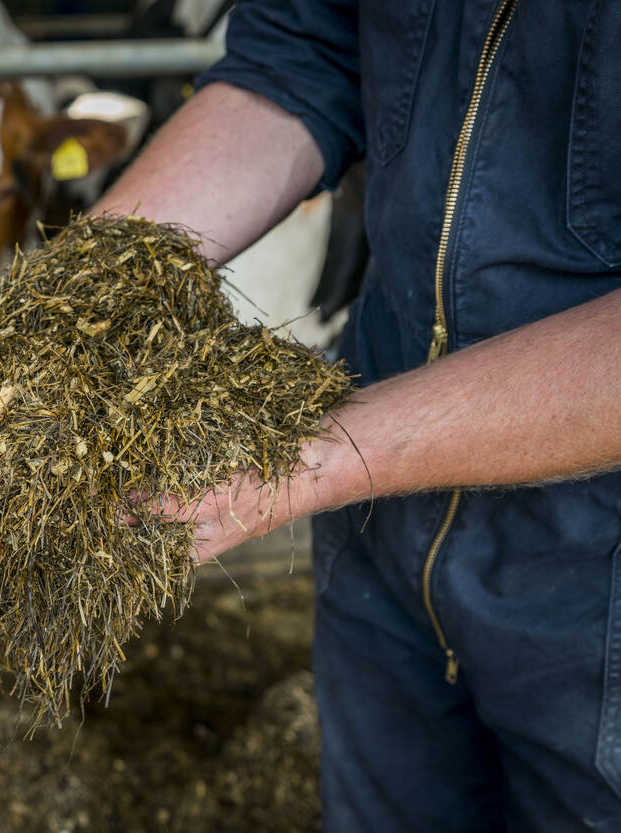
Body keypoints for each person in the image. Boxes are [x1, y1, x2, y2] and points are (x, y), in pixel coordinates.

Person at [90, 1, 621, 830]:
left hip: (596, 586)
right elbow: (303, 52)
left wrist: (307, 459)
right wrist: (75, 296)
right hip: (376, 536)